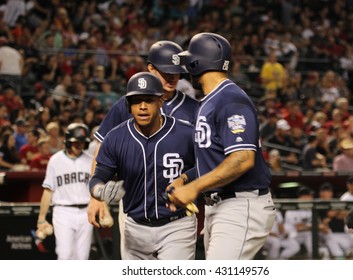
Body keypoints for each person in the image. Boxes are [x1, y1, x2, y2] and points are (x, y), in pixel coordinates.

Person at [166, 32, 275, 260]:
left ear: (197, 64)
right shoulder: (211, 100)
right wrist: (186, 179)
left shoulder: (229, 99)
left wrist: (194, 189)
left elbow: (243, 158)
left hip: (240, 204)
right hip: (221, 206)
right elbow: (215, 160)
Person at [87, 40, 199, 257]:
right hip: (135, 203)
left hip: (177, 211)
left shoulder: (193, 109)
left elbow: (206, 161)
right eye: (167, 72)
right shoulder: (126, 104)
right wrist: (95, 197)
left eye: (177, 72)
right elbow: (102, 152)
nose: (172, 77)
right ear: (151, 68)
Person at [36, 123, 93, 259]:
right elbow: (48, 190)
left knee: (82, 257)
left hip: (86, 211)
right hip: (63, 211)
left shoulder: (90, 161)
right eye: (76, 143)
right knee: (65, 254)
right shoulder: (55, 160)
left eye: (82, 143)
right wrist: (41, 218)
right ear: (67, 142)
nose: (79, 146)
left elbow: (96, 190)